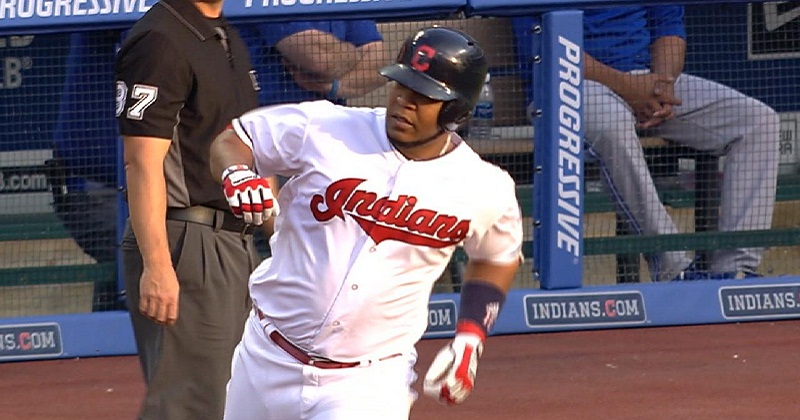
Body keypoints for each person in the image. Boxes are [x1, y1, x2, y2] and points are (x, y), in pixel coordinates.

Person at [208, 26, 523, 419]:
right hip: (265, 357)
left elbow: (497, 256)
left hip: (368, 381)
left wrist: (471, 336)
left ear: (456, 110)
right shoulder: (326, 127)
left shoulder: (484, 187)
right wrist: (237, 172)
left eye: (423, 96)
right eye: (401, 85)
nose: (404, 102)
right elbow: (235, 139)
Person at [513, 7, 780, 281]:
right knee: (612, 126)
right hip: (568, 85)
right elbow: (549, 46)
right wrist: (629, 87)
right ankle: (674, 270)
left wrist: (663, 85)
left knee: (759, 122)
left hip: (644, 80)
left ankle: (735, 271)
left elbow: (667, 25)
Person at [114, 0, 260, 417]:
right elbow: (141, 162)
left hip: (234, 240)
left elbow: (249, 142)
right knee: (193, 405)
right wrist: (158, 266)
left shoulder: (221, 33)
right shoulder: (161, 39)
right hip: (185, 239)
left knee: (239, 399)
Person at [238, 20, 388, 107]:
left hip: (330, 126)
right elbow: (320, 60)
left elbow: (379, 67)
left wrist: (333, 87)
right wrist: (353, 52)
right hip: (272, 122)